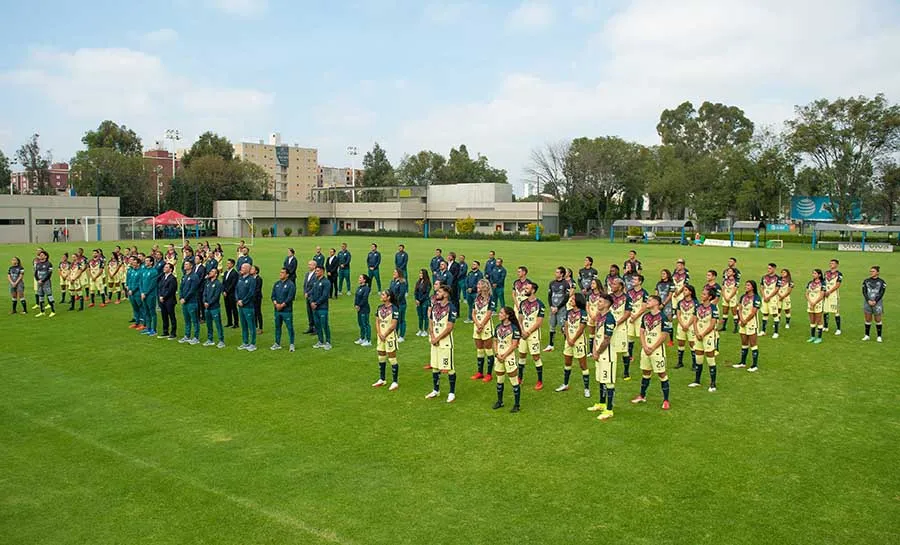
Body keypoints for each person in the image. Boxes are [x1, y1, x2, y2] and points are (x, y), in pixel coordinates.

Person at [631, 295, 673, 410]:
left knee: (661, 373)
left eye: (649, 300)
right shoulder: (645, 316)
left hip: (657, 350)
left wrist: (653, 347)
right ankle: (642, 395)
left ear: (656, 302)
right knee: (645, 372)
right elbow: (641, 332)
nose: (647, 302)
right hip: (646, 349)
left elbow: (664, 335)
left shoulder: (664, 317)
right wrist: (644, 346)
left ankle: (666, 400)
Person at [425, 284, 458, 402]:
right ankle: (436, 390)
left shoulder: (452, 308)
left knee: (449, 367)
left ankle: (451, 392)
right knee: (435, 366)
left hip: (445, 343)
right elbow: (430, 321)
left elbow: (450, 327)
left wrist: (437, 338)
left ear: (446, 294)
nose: (437, 293)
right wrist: (432, 336)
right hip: (434, 341)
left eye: (439, 292)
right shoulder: (434, 306)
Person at [554, 292, 591, 397]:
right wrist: (568, 338)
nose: (571, 300)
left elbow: (581, 328)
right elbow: (566, 325)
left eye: (573, 299)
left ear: (578, 301)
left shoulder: (583, 313)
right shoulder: (568, 312)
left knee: (583, 365)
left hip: (579, 342)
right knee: (567, 362)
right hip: (568, 341)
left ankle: (586, 389)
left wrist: (573, 339)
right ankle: (565, 384)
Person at [588, 293, 618, 420]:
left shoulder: (610, 318)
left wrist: (598, 352)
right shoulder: (599, 316)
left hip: (608, 354)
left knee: (609, 381)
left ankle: (609, 409)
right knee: (601, 379)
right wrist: (594, 350)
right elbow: (596, 334)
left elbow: (607, 339)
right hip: (599, 353)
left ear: (606, 304)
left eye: (600, 301)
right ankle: (601, 403)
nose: (597, 303)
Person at [491, 306, 522, 413]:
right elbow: (495, 341)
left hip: (509, 357)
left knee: (514, 380)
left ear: (507, 316)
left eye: (501, 313)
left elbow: (514, 345)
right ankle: (500, 401)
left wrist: (504, 355)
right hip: (498, 356)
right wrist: (496, 353)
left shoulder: (514, 329)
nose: (499, 314)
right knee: (499, 380)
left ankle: (517, 405)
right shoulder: (498, 327)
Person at [516, 281, 546, 390]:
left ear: (533, 290)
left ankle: (540, 381)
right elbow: (519, 318)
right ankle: (520, 378)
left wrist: (528, 332)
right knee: (522, 354)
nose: (525, 289)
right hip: (523, 334)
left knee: (536, 357)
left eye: (527, 288)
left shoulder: (540, 304)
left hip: (533, 335)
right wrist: (522, 330)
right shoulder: (522, 303)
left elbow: (539, 322)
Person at [690, 286, 719, 392]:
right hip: (698, 335)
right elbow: (694, 320)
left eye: (704, 294)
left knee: (710, 359)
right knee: (698, 358)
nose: (702, 295)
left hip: (708, 336)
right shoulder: (697, 306)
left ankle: (713, 383)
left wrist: (703, 333)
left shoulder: (714, 308)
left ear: (710, 297)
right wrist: (697, 332)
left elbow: (712, 323)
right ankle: (697, 381)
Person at [372, 290, 400, 391]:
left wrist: (385, 334)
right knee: (381, 357)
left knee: (392, 358)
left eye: (383, 294)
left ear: (388, 297)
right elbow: (377, 321)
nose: (381, 295)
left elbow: (393, 324)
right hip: (381, 336)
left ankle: (395, 382)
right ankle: (382, 379)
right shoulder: (379, 308)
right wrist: (379, 333)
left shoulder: (394, 309)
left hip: (390, 337)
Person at [471, 279, 496, 381]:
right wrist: (477, 324)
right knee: (479, 349)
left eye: (479, 285)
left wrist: (481, 325)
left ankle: (489, 374)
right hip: (477, 326)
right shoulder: (476, 298)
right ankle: (480, 372)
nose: (477, 287)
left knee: (488, 350)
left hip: (486, 327)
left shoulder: (491, 299)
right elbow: (473, 313)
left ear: (484, 286)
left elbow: (489, 313)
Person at [733, 280, 761, 371]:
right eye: (746, 285)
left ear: (752, 287)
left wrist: (746, 320)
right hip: (743, 322)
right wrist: (741, 319)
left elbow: (753, 312)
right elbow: (739, 309)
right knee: (744, 342)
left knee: (753, 344)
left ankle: (754, 365)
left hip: (752, 323)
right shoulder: (742, 297)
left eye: (748, 285)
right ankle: (742, 362)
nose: (746, 286)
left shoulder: (756, 298)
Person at [609, 278, 633, 380]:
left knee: (624, 349)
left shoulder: (627, 298)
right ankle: (610, 369)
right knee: (609, 347)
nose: (612, 285)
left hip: (621, 327)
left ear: (620, 286)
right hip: (609, 325)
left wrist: (618, 322)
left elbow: (628, 313)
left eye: (614, 284)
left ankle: (626, 371)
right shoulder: (609, 297)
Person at [545, 266, 570, 352]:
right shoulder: (552, 283)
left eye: (557, 272)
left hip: (561, 308)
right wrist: (551, 306)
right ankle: (551, 345)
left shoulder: (566, 284)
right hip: (553, 308)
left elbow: (566, 298)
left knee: (563, 327)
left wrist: (558, 307)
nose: (555, 274)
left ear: (562, 274)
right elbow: (549, 296)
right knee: (552, 326)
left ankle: (568, 344)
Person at [270, 267, 296, 352]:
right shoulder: (276, 284)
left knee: (289, 327)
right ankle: (277, 343)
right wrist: (275, 303)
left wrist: (282, 305)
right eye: (280, 272)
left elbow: (290, 297)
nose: (281, 274)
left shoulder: (290, 284)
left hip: (286, 310)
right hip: (277, 310)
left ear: (287, 275)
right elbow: (273, 296)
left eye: (283, 273)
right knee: (277, 327)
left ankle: (292, 344)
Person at [236, 263, 258, 351]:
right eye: (241, 267)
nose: (241, 268)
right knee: (243, 325)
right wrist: (237, 300)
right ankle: (245, 342)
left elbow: (251, 293)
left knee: (251, 325)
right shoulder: (240, 279)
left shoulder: (252, 280)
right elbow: (236, 290)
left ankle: (253, 343)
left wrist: (243, 301)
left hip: (248, 306)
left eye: (243, 267)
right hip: (240, 306)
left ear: (248, 269)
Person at [203, 268, 226, 348]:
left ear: (216, 274)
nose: (210, 272)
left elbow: (216, 296)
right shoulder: (207, 282)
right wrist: (205, 301)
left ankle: (221, 341)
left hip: (214, 307)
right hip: (207, 307)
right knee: (209, 324)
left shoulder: (218, 284)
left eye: (212, 271)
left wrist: (209, 303)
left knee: (218, 324)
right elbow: (204, 293)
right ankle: (210, 339)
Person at [310, 264, 332, 350]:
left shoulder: (326, 282)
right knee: (317, 325)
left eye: (317, 271)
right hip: (315, 307)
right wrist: (311, 301)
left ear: (322, 271)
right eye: (315, 271)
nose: (316, 272)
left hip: (322, 308)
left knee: (325, 324)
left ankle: (328, 342)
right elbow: (311, 292)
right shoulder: (315, 281)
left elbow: (325, 295)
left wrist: (316, 303)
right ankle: (320, 341)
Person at [179, 260, 201, 344]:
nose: (185, 265)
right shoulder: (184, 276)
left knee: (194, 320)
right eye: (184, 264)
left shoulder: (194, 277)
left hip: (192, 302)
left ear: (191, 266)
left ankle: (196, 337)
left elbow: (193, 289)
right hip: (184, 301)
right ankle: (187, 335)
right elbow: (181, 288)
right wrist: (181, 297)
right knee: (187, 320)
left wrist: (185, 298)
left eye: (187, 264)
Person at [862, 265, 885, 342]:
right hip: (867, 302)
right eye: (870, 271)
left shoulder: (882, 282)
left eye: (873, 271)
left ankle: (879, 336)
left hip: (877, 303)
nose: (871, 272)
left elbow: (882, 292)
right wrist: (868, 300)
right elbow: (864, 292)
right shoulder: (866, 281)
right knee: (867, 319)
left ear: (877, 272)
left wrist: (875, 301)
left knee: (878, 319)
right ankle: (867, 335)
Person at [759, 263, 781, 337]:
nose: (768, 270)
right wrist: (764, 296)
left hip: (773, 299)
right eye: (768, 268)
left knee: (775, 314)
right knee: (765, 314)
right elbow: (761, 287)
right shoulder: (764, 277)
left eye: (770, 268)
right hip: (765, 298)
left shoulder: (778, 278)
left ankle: (776, 332)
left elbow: (777, 289)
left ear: (774, 269)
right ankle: (763, 331)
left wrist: (769, 297)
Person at [157, 262, 178, 340]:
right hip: (162, 300)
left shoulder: (172, 278)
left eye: (166, 267)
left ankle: (173, 333)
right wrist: (160, 296)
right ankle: (165, 331)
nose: (164, 268)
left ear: (171, 269)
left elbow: (171, 290)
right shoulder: (163, 277)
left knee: (171, 316)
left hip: (169, 300)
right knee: (164, 316)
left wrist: (163, 297)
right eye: (164, 267)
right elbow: (160, 287)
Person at [805, 269, 826, 345]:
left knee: (819, 320)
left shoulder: (823, 283)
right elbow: (806, 293)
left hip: (818, 304)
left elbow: (822, 295)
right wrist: (810, 302)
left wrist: (815, 302)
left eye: (815, 273)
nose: (813, 274)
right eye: (813, 273)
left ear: (819, 275)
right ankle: (812, 337)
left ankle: (819, 338)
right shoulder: (810, 283)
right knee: (812, 321)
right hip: (810, 303)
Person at [139, 256, 159, 336]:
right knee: (146, 312)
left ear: (151, 262)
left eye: (147, 261)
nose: (145, 262)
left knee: (152, 312)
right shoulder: (143, 271)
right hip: (143, 294)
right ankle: (148, 328)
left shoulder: (154, 271)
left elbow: (152, 284)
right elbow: (140, 282)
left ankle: (154, 330)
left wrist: (145, 293)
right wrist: (141, 292)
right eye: (145, 261)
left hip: (150, 295)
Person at [823, 259, 843, 335]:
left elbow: (837, 285)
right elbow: (823, 282)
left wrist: (829, 291)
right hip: (826, 294)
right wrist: (824, 291)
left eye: (833, 263)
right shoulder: (826, 273)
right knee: (825, 310)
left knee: (836, 312)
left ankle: (838, 329)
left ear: (837, 265)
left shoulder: (839, 274)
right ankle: (825, 326)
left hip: (834, 295)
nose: (831, 264)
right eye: (830, 263)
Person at [389, 268, 408, 342]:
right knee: (395, 319)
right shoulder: (392, 281)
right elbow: (390, 291)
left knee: (401, 319)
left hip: (400, 304)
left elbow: (401, 293)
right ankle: (395, 334)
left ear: (399, 274)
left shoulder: (402, 282)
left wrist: (395, 301)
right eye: (393, 272)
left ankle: (402, 336)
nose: (394, 273)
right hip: (394, 304)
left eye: (395, 272)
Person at [585, 278, 604, 353]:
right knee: (591, 334)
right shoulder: (589, 294)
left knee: (599, 333)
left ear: (597, 285)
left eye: (593, 283)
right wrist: (590, 315)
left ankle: (599, 349)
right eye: (591, 283)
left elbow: (602, 307)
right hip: (590, 316)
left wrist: (595, 316)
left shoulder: (602, 295)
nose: (591, 285)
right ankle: (591, 351)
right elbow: (587, 305)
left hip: (599, 316)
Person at [719, 267, 740, 333]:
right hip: (725, 297)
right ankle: (724, 327)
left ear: (733, 273)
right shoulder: (724, 280)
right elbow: (722, 288)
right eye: (728, 271)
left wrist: (729, 297)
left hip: (732, 298)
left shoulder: (736, 281)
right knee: (725, 312)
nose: (728, 272)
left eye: (730, 271)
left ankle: (736, 328)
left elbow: (735, 290)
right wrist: (725, 296)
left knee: (734, 312)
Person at [355, 274, 372, 346]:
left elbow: (364, 298)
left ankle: (368, 340)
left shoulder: (366, 288)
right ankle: (362, 338)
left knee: (366, 324)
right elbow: (356, 297)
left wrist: (359, 305)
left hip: (364, 308)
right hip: (359, 309)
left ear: (364, 280)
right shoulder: (359, 288)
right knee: (361, 324)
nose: (359, 279)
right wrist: (355, 305)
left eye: (360, 278)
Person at [414, 269, 431, 337]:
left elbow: (426, 294)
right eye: (420, 273)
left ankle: (425, 330)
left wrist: (419, 300)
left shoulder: (428, 283)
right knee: (420, 316)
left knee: (425, 316)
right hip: (418, 302)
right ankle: (420, 329)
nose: (420, 275)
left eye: (421, 273)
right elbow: (415, 292)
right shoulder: (418, 282)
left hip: (425, 302)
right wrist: (416, 299)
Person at [302, 260, 317, 335]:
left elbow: (314, 286)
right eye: (308, 264)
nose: (309, 266)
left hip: (313, 297)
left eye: (310, 265)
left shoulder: (316, 275)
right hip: (307, 296)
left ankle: (316, 328)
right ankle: (310, 327)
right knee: (309, 312)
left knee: (314, 312)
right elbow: (305, 284)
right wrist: (305, 292)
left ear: (314, 266)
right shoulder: (307, 274)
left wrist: (308, 293)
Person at [222, 259, 238, 328]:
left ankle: (236, 323)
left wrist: (227, 291)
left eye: (229, 263)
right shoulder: (226, 272)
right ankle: (229, 322)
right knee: (227, 308)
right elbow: (223, 283)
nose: (227, 264)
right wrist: (223, 291)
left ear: (232, 264)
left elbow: (233, 284)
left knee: (233, 308)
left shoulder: (234, 273)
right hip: (225, 294)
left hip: (231, 293)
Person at [125, 256, 141, 324]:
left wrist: (133, 290)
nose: (133, 264)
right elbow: (129, 280)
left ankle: (144, 323)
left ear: (138, 264)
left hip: (137, 292)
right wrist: (127, 286)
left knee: (141, 307)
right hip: (130, 292)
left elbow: (139, 283)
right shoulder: (131, 270)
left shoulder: (140, 272)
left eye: (134, 263)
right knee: (134, 307)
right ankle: (137, 321)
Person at [252, 265, 263, 334]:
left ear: (256, 271)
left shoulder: (259, 279)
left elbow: (258, 289)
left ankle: (260, 327)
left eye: (252, 269)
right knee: (253, 313)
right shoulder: (250, 278)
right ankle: (255, 326)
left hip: (257, 298)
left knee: (258, 312)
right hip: (252, 298)